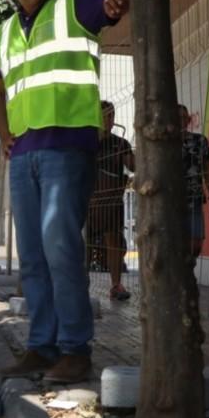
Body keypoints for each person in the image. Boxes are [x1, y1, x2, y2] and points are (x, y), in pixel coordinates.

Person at [0, 0, 130, 383]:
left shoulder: (73, 3)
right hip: (24, 153)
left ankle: (75, 350)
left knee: (62, 248)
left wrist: (114, 3)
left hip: (67, 149)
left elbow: (107, 7)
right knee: (32, 255)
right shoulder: (3, 32)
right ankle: (41, 347)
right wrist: (6, 134)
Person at [87, 101, 135, 300]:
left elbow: (133, 166)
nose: (108, 120)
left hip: (112, 203)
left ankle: (116, 285)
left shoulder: (120, 143)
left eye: (111, 116)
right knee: (85, 244)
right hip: (88, 203)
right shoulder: (87, 142)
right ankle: (81, 285)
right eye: (104, 116)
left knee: (114, 242)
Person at [180, 104, 209, 259]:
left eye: (182, 118)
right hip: (169, 201)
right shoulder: (163, 144)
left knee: (196, 243)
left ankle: (186, 272)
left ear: (189, 120)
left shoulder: (200, 141)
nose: (179, 121)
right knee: (172, 242)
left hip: (194, 199)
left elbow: (207, 170)